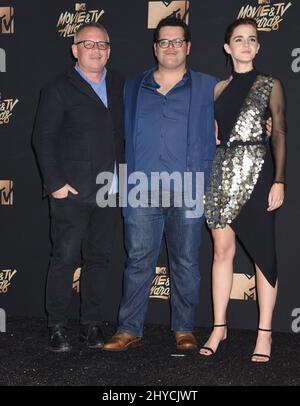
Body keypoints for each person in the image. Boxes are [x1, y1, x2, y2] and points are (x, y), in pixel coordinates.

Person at [103, 17, 218, 351]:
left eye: (177, 41)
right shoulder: (132, 86)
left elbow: (232, 123)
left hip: (190, 187)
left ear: (188, 47)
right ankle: (129, 329)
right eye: (164, 41)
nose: (171, 47)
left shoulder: (208, 86)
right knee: (138, 260)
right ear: (155, 47)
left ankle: (183, 328)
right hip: (140, 186)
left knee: (185, 261)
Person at [33, 22, 124, 352]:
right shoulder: (58, 88)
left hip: (109, 189)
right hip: (71, 192)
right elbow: (43, 139)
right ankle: (56, 326)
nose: (96, 50)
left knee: (99, 258)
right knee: (65, 258)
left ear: (109, 51)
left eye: (102, 45)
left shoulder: (119, 84)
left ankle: (91, 325)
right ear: (75, 49)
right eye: (89, 44)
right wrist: (55, 184)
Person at [199, 18, 286, 362]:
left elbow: (279, 131)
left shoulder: (270, 83)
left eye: (252, 39)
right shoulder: (217, 89)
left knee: (264, 254)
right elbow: (212, 132)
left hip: (259, 171)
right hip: (222, 172)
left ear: (258, 46)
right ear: (227, 47)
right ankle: (219, 327)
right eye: (239, 39)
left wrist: (279, 180)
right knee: (222, 250)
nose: (246, 44)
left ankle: (264, 333)